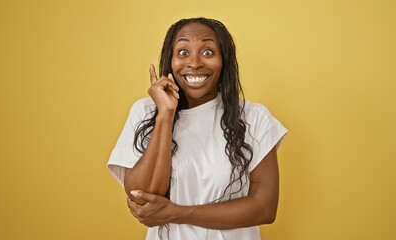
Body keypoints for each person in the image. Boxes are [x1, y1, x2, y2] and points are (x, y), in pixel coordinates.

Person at [107, 17, 288, 240]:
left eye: (208, 52)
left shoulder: (253, 117)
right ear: (170, 60)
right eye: (183, 52)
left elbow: (264, 208)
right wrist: (165, 114)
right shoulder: (146, 111)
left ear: (224, 61)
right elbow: (142, 197)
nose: (194, 63)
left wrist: (177, 213)